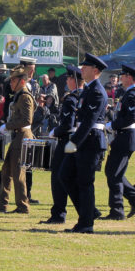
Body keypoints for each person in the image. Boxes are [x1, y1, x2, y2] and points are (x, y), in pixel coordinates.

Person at [59, 54, 109, 233]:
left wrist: (74, 141)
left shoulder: (96, 91)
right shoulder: (88, 89)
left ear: (95, 71)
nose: (82, 69)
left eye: (85, 67)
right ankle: (88, 212)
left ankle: (86, 223)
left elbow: (89, 121)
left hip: (90, 141)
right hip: (83, 140)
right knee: (65, 175)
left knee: (85, 182)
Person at [0, 64, 35, 214]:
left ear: (22, 81)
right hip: (17, 136)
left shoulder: (25, 97)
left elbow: (27, 120)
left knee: (18, 172)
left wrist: (8, 126)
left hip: (22, 136)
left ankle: (22, 206)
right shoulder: (19, 96)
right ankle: (2, 204)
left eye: (13, 81)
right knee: (6, 171)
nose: (11, 83)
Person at [101, 63, 135, 221]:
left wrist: (111, 125)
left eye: (123, 76)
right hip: (125, 135)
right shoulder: (129, 93)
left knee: (113, 173)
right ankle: (133, 199)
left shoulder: (133, 95)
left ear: (129, 77)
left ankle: (118, 209)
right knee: (114, 172)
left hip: (126, 136)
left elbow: (131, 117)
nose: (120, 78)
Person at [39, 64, 83, 226]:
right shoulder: (84, 96)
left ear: (74, 80)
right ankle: (88, 210)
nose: (67, 81)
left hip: (66, 140)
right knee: (75, 178)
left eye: (69, 78)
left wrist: (55, 131)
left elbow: (67, 123)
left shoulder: (71, 98)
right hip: (80, 140)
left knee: (58, 177)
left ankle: (58, 213)